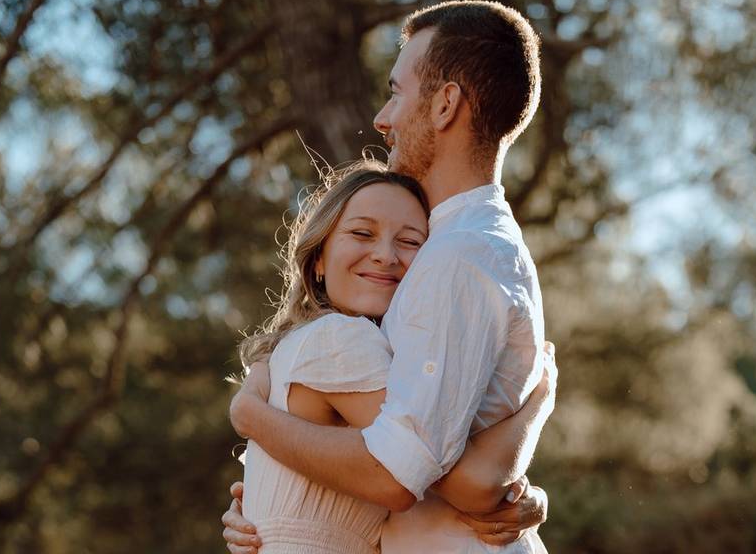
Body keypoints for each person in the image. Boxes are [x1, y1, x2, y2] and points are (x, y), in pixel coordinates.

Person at [225, 0, 552, 552]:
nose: (382, 117)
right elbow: (440, 441)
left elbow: (398, 472)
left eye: (397, 92)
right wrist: (272, 511)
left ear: (446, 104)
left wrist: (249, 416)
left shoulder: (457, 256)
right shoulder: (460, 246)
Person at [229, 159, 556, 553]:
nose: (385, 255)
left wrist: (529, 498)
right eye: (362, 233)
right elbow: (466, 485)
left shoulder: (296, 345)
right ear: (318, 259)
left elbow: (436, 467)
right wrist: (540, 400)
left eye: (410, 242)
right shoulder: (342, 338)